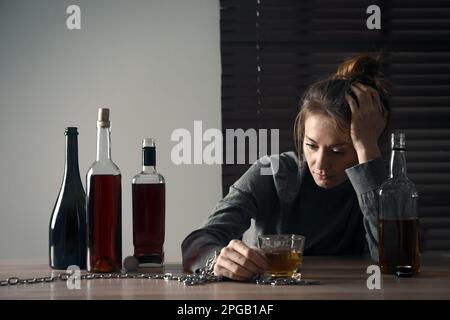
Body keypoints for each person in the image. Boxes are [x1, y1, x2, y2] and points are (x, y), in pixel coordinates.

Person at [181, 54, 390, 281]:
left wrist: (368, 150)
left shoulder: (378, 185)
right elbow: (197, 242)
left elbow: (395, 259)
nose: (319, 164)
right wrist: (217, 259)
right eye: (311, 145)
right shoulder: (273, 173)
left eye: (338, 151)